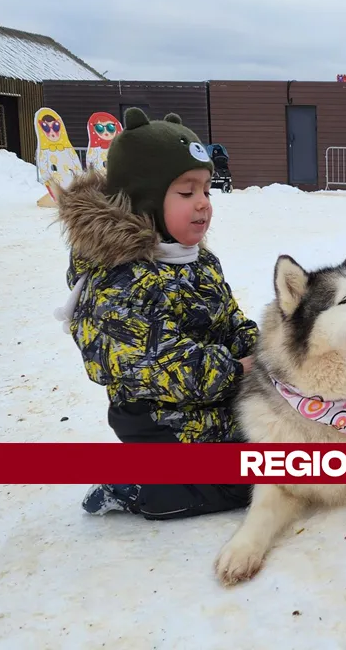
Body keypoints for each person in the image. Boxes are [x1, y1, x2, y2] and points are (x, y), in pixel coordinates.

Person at [53, 108, 257, 520]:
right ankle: (143, 485)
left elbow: (229, 319)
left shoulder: (196, 261)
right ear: (146, 197)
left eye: (207, 191)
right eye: (187, 193)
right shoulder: (120, 278)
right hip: (160, 422)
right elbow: (152, 362)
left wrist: (264, 349)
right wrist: (236, 370)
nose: (203, 205)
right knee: (248, 482)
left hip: (214, 403)